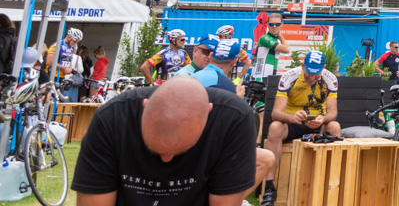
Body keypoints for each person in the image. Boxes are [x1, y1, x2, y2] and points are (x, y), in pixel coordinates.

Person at [72, 75, 262, 206]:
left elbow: (224, 202)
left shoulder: (232, 119)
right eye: (155, 149)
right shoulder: (112, 118)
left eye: (181, 150)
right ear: (145, 106)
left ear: (208, 113)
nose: (166, 159)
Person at [261, 50, 341, 206]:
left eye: (316, 75)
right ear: (303, 65)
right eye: (308, 73)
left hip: (317, 123)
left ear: (323, 67)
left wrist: (322, 119)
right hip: (293, 122)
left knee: (335, 126)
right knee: (275, 127)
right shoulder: (289, 76)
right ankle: (270, 188)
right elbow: (276, 113)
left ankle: (332, 186)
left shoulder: (330, 79)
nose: (311, 78)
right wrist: (291, 117)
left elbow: (333, 112)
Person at [253, 15, 290, 80]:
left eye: (277, 24)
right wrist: (281, 36)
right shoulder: (265, 38)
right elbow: (286, 49)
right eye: (271, 24)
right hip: (260, 77)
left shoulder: (276, 40)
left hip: (270, 76)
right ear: (267, 25)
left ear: (281, 24)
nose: (274, 26)